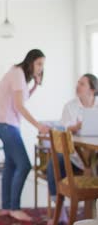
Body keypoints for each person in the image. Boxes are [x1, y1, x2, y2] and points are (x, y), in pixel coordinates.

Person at [0, 49, 50, 222]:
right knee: (24, 165)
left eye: (43, 65)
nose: (41, 68)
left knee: (10, 165)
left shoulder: (19, 75)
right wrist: (38, 125)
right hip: (6, 124)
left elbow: (21, 99)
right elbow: (19, 106)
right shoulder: (17, 74)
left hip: (5, 123)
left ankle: (7, 207)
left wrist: (35, 86)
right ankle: (14, 208)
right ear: (30, 61)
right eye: (39, 63)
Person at [46, 73, 98, 224]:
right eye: (78, 83)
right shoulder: (70, 106)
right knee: (53, 165)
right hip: (75, 155)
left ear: (92, 89)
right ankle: (60, 212)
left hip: (94, 154)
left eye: (82, 84)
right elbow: (64, 130)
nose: (78, 86)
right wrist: (77, 126)